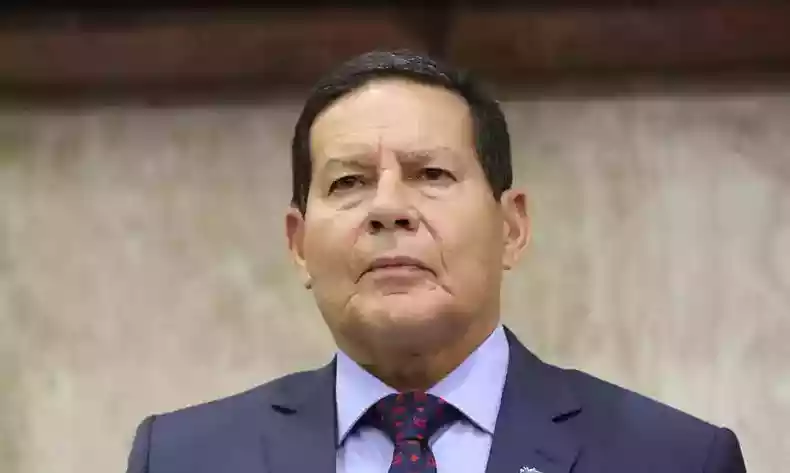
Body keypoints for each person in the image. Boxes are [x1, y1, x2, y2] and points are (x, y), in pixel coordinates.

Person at [126, 49, 747, 473]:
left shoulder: (672, 458)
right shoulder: (185, 458)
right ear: (298, 243)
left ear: (511, 228)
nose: (388, 209)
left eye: (431, 174)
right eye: (349, 182)